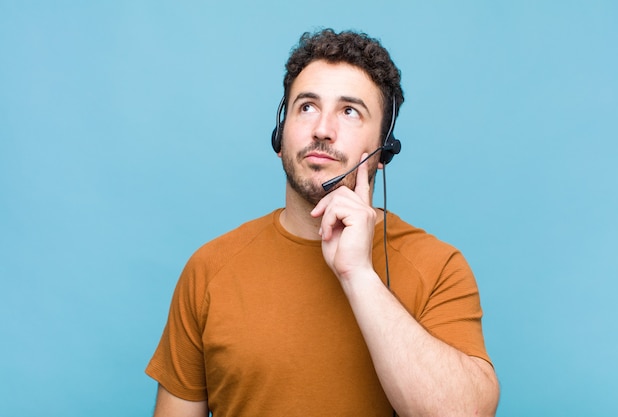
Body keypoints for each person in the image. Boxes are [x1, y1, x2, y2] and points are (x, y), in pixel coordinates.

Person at [146, 28, 500, 416]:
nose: (322, 129)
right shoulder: (209, 269)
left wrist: (358, 275)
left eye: (349, 111)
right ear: (280, 132)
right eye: (307, 107)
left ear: (384, 148)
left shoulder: (438, 267)